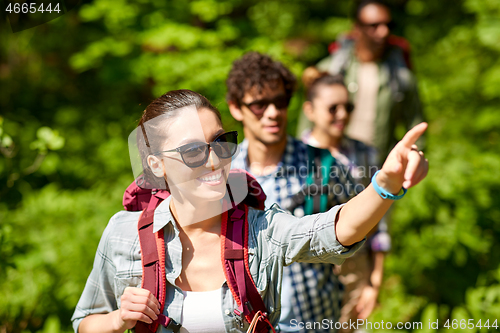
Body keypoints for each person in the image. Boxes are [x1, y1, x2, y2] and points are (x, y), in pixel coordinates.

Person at [71, 88, 428, 333]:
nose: (214, 161)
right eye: (193, 151)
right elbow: (86, 321)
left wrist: (385, 183)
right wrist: (118, 319)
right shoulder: (124, 233)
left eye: (221, 144)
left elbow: (334, 231)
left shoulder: (260, 228)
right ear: (157, 164)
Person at [301, 67, 390, 331]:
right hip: (309, 275)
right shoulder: (296, 156)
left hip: (356, 272)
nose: (342, 115)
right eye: (332, 108)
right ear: (310, 110)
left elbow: (379, 223)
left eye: (347, 107)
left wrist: (374, 282)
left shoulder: (364, 154)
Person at [298, 0, 424, 161]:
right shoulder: (331, 69)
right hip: (330, 169)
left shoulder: (401, 75)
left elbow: (415, 125)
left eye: (388, 25)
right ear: (357, 27)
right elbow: (306, 125)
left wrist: (412, 160)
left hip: (379, 171)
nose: (383, 32)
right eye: (374, 25)